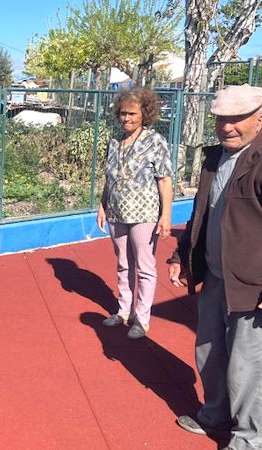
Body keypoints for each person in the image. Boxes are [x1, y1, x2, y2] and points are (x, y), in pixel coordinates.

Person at [168, 84, 262, 449]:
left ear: (259, 119)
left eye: (237, 119)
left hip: (256, 286)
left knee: (248, 369)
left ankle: (252, 440)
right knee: (209, 352)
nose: (228, 127)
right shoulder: (214, 158)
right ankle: (216, 413)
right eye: (222, 119)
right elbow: (200, 217)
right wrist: (183, 255)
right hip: (217, 278)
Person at [96, 86, 173, 339]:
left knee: (145, 266)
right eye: (123, 113)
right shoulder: (114, 142)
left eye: (132, 114)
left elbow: (164, 180)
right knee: (122, 264)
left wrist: (166, 215)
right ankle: (123, 311)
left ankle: (142, 318)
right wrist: (102, 206)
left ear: (145, 114)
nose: (126, 118)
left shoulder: (155, 141)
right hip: (117, 212)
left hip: (144, 213)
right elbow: (110, 179)